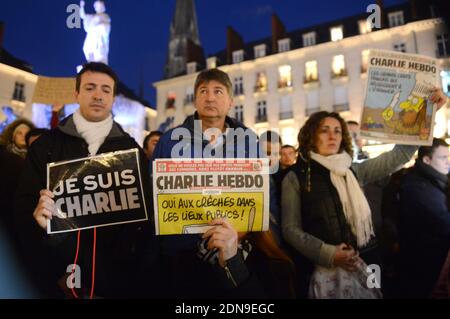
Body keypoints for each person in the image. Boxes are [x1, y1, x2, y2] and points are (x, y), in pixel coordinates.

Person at [151, 68, 294, 298]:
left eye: (218, 91)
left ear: (230, 102)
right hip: (183, 257)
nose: (210, 97)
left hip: (238, 252)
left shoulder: (250, 142)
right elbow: (155, 200)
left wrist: (257, 237)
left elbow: (266, 196)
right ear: (195, 99)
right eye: (203, 91)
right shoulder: (169, 141)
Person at [14, 62, 152, 298]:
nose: (98, 95)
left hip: (115, 277)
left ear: (113, 98)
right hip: (55, 275)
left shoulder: (131, 150)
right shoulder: (46, 146)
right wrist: (38, 221)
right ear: (76, 94)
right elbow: (22, 205)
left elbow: (146, 213)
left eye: (106, 90)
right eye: (90, 88)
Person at [281, 108, 435, 298]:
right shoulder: (296, 176)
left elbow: (399, 156)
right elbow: (290, 229)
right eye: (324, 130)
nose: (332, 136)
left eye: (337, 131)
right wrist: (329, 254)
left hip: (369, 259)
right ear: (311, 136)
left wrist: (426, 114)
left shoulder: (353, 171)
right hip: (325, 270)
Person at [398, 138, 450, 298]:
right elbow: (445, 223)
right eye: (443, 157)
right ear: (427, 160)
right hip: (427, 265)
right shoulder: (417, 187)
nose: (448, 162)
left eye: (449, 157)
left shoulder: (438, 179)